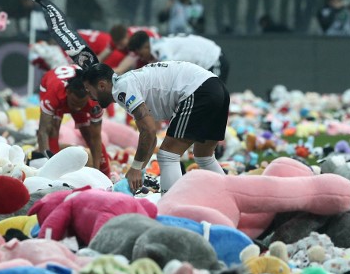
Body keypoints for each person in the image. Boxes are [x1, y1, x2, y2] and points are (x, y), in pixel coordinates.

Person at [81, 61, 230, 192]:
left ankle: (171, 207)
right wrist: (139, 168)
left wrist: (135, 168)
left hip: (199, 90)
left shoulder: (121, 88)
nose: (89, 96)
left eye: (89, 90)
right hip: (217, 88)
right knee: (204, 156)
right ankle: (229, 195)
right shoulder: (127, 83)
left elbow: (149, 130)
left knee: (168, 155)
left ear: (101, 85)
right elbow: (149, 138)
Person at [36, 64, 109, 176]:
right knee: (53, 129)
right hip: (52, 87)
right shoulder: (53, 95)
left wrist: (97, 172)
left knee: (89, 134)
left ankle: (106, 173)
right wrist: (45, 164)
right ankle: (54, 172)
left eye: (81, 104)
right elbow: (43, 132)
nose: (77, 108)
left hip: (73, 95)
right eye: (74, 103)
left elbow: (96, 138)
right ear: (68, 93)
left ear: (89, 97)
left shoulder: (95, 102)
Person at [14, 0, 100, 69]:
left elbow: (47, 31)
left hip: (57, 45)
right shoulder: (38, 10)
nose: (24, 4)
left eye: (24, 1)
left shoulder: (40, 10)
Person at [122, 30, 229, 84]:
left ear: (146, 47)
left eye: (141, 55)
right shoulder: (159, 46)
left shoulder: (161, 49)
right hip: (204, 66)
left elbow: (167, 73)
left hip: (213, 59)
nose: (142, 59)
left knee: (216, 96)